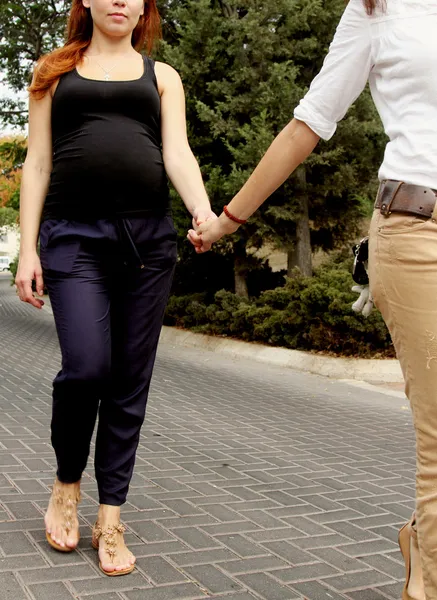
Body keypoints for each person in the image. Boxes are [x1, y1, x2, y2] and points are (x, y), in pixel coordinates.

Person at [189, 0, 437, 597]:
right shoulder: (375, 11)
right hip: (419, 232)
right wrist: (229, 219)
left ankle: (423, 539)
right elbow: (308, 124)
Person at [16, 0, 215, 577]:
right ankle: (66, 482)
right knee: (86, 368)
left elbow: (176, 151)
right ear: (85, 1)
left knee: (131, 378)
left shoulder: (162, 76)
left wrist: (201, 209)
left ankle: (110, 515)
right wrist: (29, 248)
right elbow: (37, 161)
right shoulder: (53, 72)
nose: (120, 1)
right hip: (73, 238)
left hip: (148, 242)